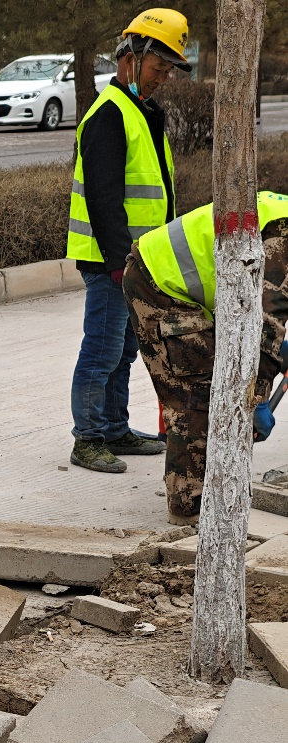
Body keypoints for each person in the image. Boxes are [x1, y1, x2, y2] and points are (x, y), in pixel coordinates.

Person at [66, 8, 191, 474]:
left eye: (167, 71)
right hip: (112, 261)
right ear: (132, 58)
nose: (163, 78)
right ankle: (89, 438)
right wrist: (120, 261)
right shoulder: (109, 115)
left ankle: (115, 428)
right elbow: (103, 196)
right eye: (159, 67)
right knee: (101, 349)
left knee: (123, 349)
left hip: (141, 259)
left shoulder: (141, 111)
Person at [124, 192, 288, 524]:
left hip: (181, 288)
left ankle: (215, 494)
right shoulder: (284, 238)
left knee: (218, 385)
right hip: (158, 287)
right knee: (196, 394)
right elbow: (267, 322)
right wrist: (256, 399)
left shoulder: (282, 213)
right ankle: (189, 512)